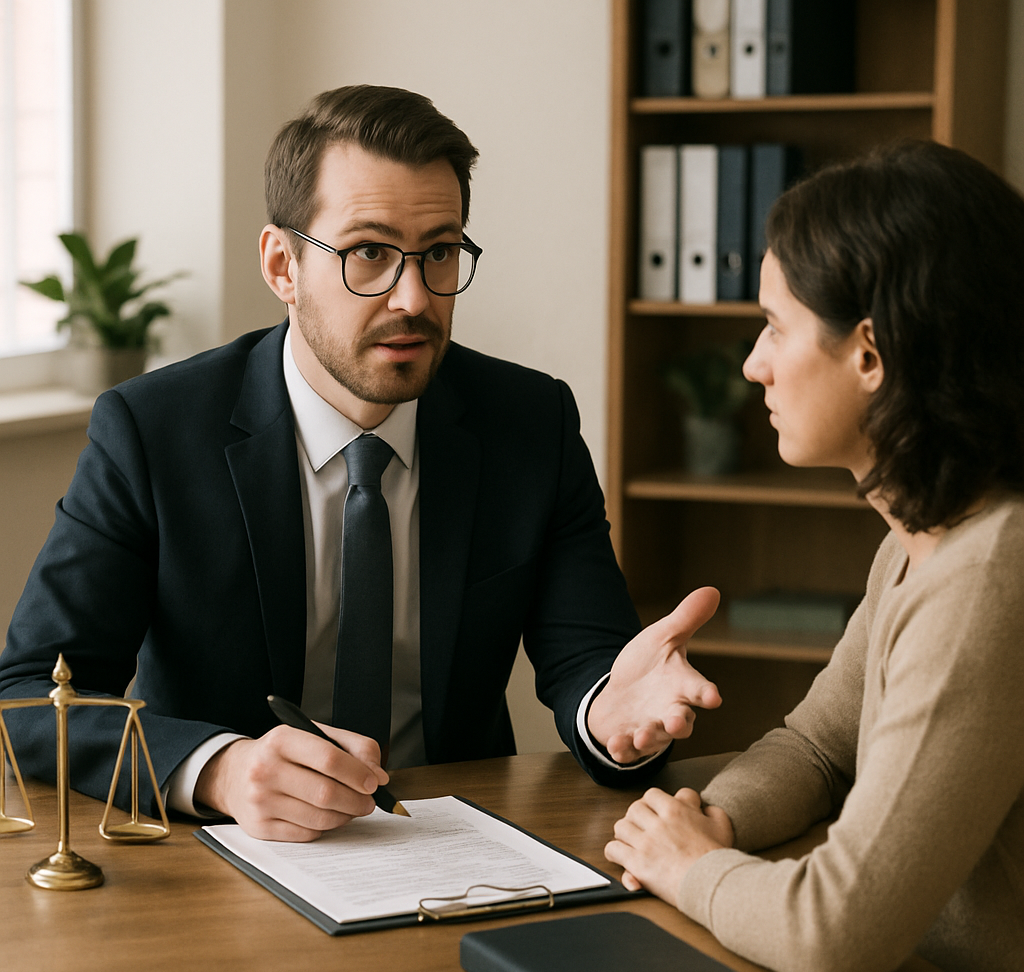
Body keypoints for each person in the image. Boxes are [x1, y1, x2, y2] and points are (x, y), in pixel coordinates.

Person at [0, 85, 722, 843]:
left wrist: (608, 714)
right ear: (282, 265)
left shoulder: (530, 423)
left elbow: (592, 663)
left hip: (457, 847)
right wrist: (219, 770)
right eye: (369, 253)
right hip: (223, 859)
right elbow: (27, 696)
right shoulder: (152, 433)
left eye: (439, 251)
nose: (413, 297)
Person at [604, 139, 1024, 972]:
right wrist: (713, 821)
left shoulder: (990, 576)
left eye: (775, 326)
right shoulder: (919, 541)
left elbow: (838, 931)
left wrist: (692, 869)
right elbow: (818, 746)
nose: (753, 363)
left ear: (871, 353)